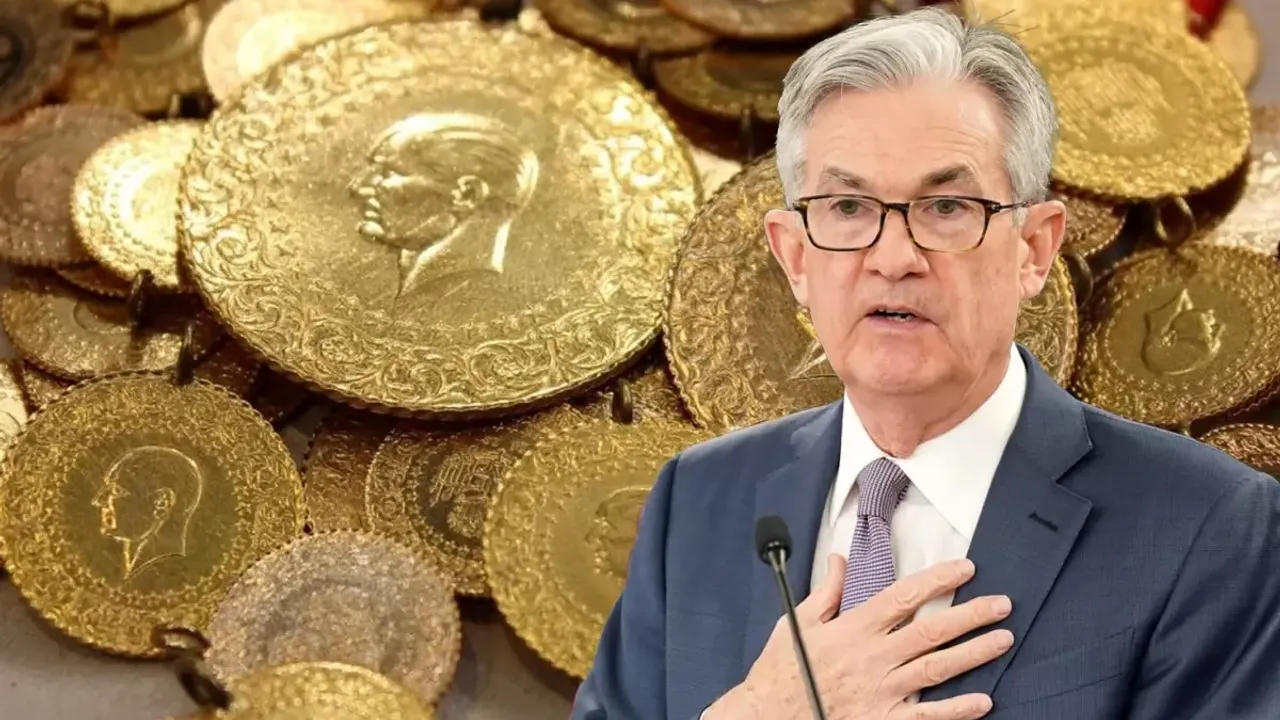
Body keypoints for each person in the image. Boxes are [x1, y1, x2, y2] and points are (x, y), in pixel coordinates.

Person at [571, 8, 1280, 719]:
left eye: (945, 206)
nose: (893, 258)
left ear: (1035, 249)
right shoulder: (697, 500)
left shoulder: (1209, 523)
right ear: (795, 257)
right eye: (848, 207)